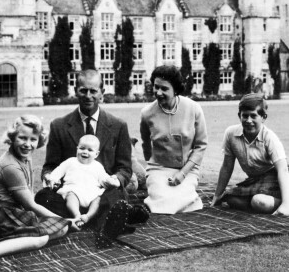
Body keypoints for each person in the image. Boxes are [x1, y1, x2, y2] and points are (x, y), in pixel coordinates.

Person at [35, 69, 149, 247]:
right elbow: (50, 166)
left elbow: (125, 169)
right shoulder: (59, 126)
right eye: (83, 90)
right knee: (42, 197)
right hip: (70, 195)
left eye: (93, 91)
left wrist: (115, 180)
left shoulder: (118, 126)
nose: (88, 96)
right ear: (75, 91)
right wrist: (49, 178)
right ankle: (110, 219)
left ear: (102, 93)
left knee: (117, 194)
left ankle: (99, 223)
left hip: (102, 194)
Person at [0, 115, 77, 260]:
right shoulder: (10, 166)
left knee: (60, 228)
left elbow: (29, 194)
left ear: (39, 141)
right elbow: (31, 205)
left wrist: (63, 222)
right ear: (12, 137)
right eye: (22, 138)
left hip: (8, 210)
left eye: (33, 139)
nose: (28, 144)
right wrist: (66, 219)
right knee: (41, 239)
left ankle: (13, 240)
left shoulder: (25, 157)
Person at [140, 65, 208, 214]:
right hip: (159, 168)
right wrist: (153, 170)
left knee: (179, 198)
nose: (158, 92)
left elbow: (201, 146)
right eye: (156, 87)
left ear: (175, 89)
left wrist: (183, 173)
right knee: (162, 196)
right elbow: (146, 144)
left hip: (187, 169)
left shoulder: (194, 109)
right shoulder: (146, 113)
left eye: (164, 89)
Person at [211, 93, 289, 215]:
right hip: (254, 180)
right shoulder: (231, 134)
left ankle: (280, 203)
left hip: (275, 180)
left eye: (253, 116)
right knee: (229, 198)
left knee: (259, 202)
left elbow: (283, 170)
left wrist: (286, 204)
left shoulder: (270, 138)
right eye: (245, 116)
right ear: (239, 116)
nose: (248, 121)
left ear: (263, 117)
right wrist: (217, 195)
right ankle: (258, 204)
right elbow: (227, 166)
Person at [45, 134, 120, 227]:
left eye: (90, 150)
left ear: (96, 154)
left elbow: (104, 178)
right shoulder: (71, 161)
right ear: (77, 149)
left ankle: (88, 216)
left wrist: (111, 180)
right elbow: (59, 170)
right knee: (71, 196)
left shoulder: (97, 166)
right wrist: (52, 178)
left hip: (91, 193)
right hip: (74, 190)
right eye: (82, 148)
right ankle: (77, 215)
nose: (85, 152)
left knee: (97, 200)